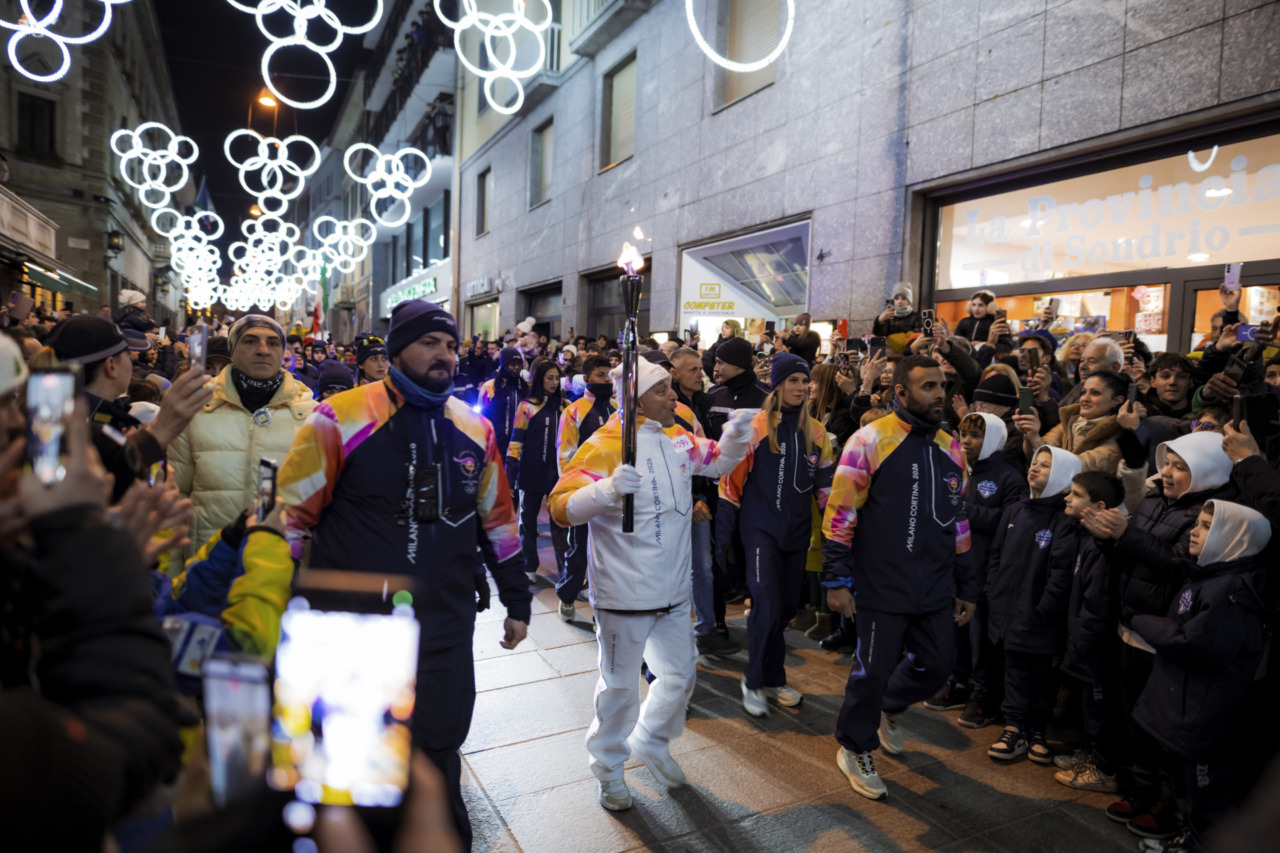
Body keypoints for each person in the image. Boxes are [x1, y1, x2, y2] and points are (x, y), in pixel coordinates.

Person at [280, 299, 531, 849]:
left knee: (439, 751)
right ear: (396, 351)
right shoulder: (337, 417)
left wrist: (517, 599)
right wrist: (277, 606)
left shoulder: (473, 427)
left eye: (451, 345)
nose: (445, 355)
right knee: (359, 770)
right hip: (358, 628)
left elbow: (499, 519)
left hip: (443, 623)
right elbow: (291, 519)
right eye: (429, 343)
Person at [549, 358, 754, 811]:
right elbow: (560, 507)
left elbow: (717, 462)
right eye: (663, 392)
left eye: (671, 390)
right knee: (619, 691)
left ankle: (651, 740)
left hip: (674, 591)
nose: (675, 398)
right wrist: (604, 492)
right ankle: (608, 769)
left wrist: (738, 434)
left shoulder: (677, 437)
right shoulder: (604, 446)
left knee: (680, 676)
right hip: (623, 593)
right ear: (638, 399)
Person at [823, 355, 977, 800]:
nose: (939, 394)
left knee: (938, 665)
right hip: (879, 585)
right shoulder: (869, 440)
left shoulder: (951, 448)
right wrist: (836, 580)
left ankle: (887, 706)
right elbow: (840, 514)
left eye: (942, 386)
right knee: (870, 672)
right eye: (928, 386)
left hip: (934, 586)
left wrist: (967, 586)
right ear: (902, 393)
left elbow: (959, 522)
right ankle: (854, 746)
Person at [1081, 430, 1235, 840]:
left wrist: (1125, 534)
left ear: (1205, 471)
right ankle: (1141, 787)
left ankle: (1168, 803)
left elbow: (1180, 564)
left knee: (1160, 727)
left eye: (1179, 467)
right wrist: (1107, 538)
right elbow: (1130, 552)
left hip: (1161, 633)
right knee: (1133, 719)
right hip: (1129, 624)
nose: (1165, 473)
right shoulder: (1154, 500)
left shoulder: (1209, 513)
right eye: (1166, 463)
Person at [1132, 501, 1270, 853]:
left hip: (1204, 711)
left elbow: (1197, 643)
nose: (1195, 531)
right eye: (1198, 523)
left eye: (1208, 525)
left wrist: (1141, 620)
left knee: (1208, 791)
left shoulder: (1230, 589)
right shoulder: (1209, 575)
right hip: (1190, 704)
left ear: (1234, 537)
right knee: (1192, 788)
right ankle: (1191, 840)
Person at [718, 354, 834, 716]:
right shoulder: (755, 427)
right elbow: (729, 484)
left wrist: (835, 536)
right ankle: (753, 680)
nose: (801, 388)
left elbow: (826, 488)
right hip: (760, 532)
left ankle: (774, 677)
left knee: (783, 609)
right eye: (793, 381)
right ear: (778, 384)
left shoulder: (817, 432)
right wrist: (722, 536)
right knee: (765, 605)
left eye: (805, 381)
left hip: (796, 535)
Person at [169, 315, 318, 555]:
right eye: (250, 341)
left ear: (282, 353)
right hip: (206, 563)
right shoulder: (196, 408)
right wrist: (175, 575)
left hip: (280, 565)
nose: (263, 350)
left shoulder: (311, 415)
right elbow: (176, 497)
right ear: (233, 351)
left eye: (273, 343)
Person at [926, 413, 1028, 729]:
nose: (967, 441)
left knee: (980, 635)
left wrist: (967, 510)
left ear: (995, 439)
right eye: (963, 434)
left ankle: (983, 693)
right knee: (956, 628)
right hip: (952, 565)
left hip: (984, 569)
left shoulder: (1008, 477)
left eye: (976, 436)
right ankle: (957, 681)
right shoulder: (953, 468)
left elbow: (1011, 521)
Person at [41, 315, 212, 500]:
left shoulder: (73, 413)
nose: (132, 365)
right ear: (111, 366)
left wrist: (134, 444)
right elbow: (112, 489)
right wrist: (157, 434)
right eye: (128, 357)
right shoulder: (83, 426)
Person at [984, 446, 1081, 764]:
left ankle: (1036, 729)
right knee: (1013, 672)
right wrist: (994, 591)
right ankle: (1013, 728)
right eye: (1035, 463)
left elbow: (1061, 573)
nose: (1035, 468)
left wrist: (1043, 611)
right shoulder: (1014, 511)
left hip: (1039, 617)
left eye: (1046, 466)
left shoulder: (1063, 520)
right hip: (1009, 612)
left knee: (1041, 676)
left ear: (1064, 476)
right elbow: (996, 556)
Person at [1055, 469, 1126, 795]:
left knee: (1099, 709)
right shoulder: (1087, 537)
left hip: (1095, 648)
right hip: (1084, 641)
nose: (1067, 497)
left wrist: (1078, 648)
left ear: (1098, 505)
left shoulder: (1102, 549)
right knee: (1089, 709)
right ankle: (1095, 756)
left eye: (1076, 494)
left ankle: (1104, 768)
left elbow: (1096, 606)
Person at [553, 354, 615, 620]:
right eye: (601, 375)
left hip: (613, 492)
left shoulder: (617, 407)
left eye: (609, 375)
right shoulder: (574, 411)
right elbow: (565, 455)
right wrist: (575, 491)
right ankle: (567, 596)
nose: (607, 380)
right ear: (587, 378)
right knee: (578, 550)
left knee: (610, 553)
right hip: (583, 492)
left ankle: (602, 610)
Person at [506, 359, 564, 585]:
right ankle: (529, 566)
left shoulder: (565, 406)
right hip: (530, 472)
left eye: (557, 377)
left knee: (559, 523)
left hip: (557, 474)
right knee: (527, 521)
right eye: (549, 377)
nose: (554, 382)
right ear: (539, 379)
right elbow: (516, 442)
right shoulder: (526, 406)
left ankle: (565, 568)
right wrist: (510, 474)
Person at [1016, 372, 1128, 474]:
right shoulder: (1070, 421)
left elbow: (1077, 467)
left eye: (1095, 393)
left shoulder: (1118, 436)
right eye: (1083, 392)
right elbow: (1036, 457)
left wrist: (1035, 438)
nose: (1085, 398)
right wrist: (1029, 434)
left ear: (1117, 401)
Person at [479, 347, 527, 457]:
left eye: (519, 364)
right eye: (512, 364)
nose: (516, 367)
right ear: (504, 365)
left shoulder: (525, 387)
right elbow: (482, 418)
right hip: (496, 445)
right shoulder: (489, 386)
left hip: (520, 447)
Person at [1059, 339, 1124, 406]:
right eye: (1082, 360)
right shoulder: (1080, 386)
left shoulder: (1121, 398)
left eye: (1092, 361)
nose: (1082, 366)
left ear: (1114, 367)